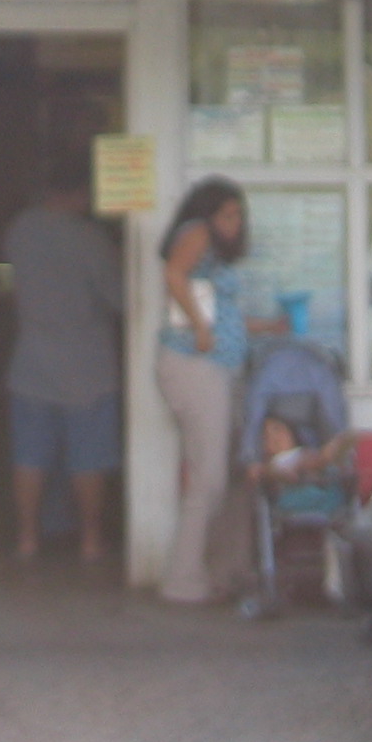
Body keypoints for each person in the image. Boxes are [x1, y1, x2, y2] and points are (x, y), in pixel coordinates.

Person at [153, 178, 284, 604]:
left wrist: (266, 326)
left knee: (233, 473)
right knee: (208, 477)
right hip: (196, 366)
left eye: (239, 215)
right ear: (207, 214)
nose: (235, 223)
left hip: (221, 368)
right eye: (227, 214)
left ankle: (226, 571)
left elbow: (222, 313)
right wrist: (199, 327)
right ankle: (182, 580)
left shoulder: (216, 255)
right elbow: (173, 275)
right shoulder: (196, 233)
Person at [2, 146, 122, 562]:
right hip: (86, 366)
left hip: (31, 361)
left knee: (29, 456)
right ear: (81, 192)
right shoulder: (91, 239)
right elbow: (120, 298)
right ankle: (91, 540)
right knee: (88, 458)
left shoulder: (20, 228)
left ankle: (27, 538)